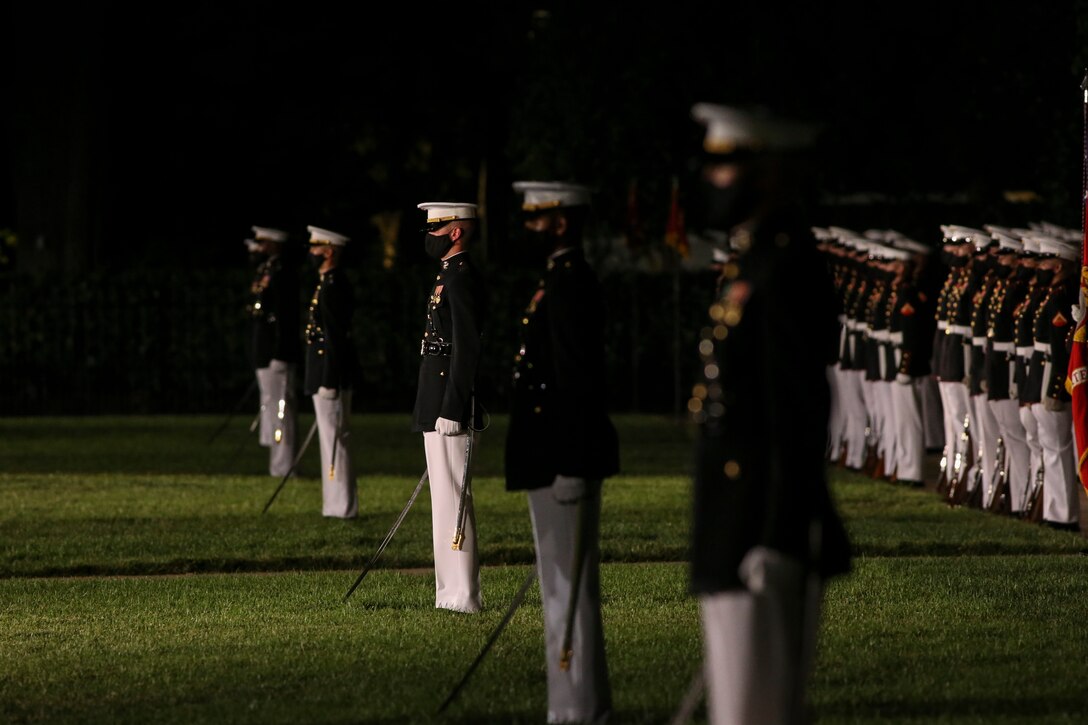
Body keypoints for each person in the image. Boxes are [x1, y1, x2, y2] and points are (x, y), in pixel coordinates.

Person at [685, 101, 852, 725]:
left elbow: (796, 409)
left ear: (772, 172)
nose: (714, 179)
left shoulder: (785, 263)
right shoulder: (753, 257)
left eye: (730, 166)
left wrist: (781, 530)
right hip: (734, 513)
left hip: (762, 519)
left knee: (756, 709)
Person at [506, 180, 619, 724]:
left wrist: (575, 461)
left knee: (570, 594)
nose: (529, 227)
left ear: (563, 222)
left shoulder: (571, 284)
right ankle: (568, 706)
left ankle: (580, 709)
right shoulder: (555, 280)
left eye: (538, 218)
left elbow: (579, 381)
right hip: (548, 452)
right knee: (558, 592)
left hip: (563, 456)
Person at [411, 201, 487, 613]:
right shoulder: (447, 276)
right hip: (434, 398)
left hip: (449, 402)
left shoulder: (462, 280)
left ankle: (466, 595)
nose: (431, 236)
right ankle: (448, 593)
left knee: (455, 497)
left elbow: (467, 349)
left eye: (437, 228)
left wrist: (454, 406)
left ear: (456, 231)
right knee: (442, 501)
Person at [303, 225, 360, 519]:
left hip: (331, 375)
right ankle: (334, 503)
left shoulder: (334, 284)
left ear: (329, 251)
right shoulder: (327, 282)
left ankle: (342, 507)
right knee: (330, 440)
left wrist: (329, 381)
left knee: (335, 440)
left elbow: (335, 337)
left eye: (316, 248)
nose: (311, 253)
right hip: (324, 371)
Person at [246, 225, 301, 477]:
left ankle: (284, 465)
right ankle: (277, 464)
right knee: (271, 406)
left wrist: (281, 351)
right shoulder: (269, 269)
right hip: (265, 349)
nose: (260, 248)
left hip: (276, 351)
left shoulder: (282, 272)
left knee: (281, 408)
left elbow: (285, 315)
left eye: (264, 243)